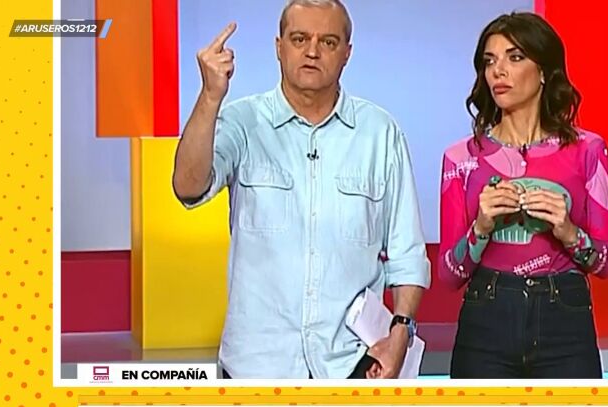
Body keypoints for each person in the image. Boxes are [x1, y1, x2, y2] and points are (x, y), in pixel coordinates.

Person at [172, 0, 430, 379]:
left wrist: (401, 331)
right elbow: (187, 188)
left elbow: (407, 252)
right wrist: (210, 96)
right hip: (256, 366)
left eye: (328, 42)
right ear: (279, 47)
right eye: (299, 39)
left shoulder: (380, 133)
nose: (312, 51)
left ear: (347, 53)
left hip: (351, 364)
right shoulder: (243, 122)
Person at [438, 12, 608, 379]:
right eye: (490, 61)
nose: (498, 71)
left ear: (544, 71)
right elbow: (449, 275)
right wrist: (481, 228)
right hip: (486, 319)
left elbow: (607, 263)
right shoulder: (460, 158)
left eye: (515, 57)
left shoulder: (587, 150)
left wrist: (568, 232)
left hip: (564, 318)